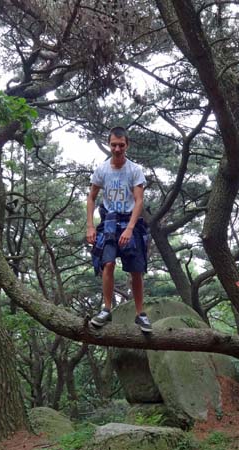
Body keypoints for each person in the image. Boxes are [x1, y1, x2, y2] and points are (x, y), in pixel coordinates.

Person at [86, 126, 152, 333]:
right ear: (109, 144)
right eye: (114, 145)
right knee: (108, 264)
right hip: (109, 221)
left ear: (127, 145)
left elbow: (139, 200)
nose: (117, 149)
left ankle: (140, 314)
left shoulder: (135, 170)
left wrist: (130, 228)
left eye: (121, 145)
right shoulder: (102, 170)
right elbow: (91, 197)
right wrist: (90, 225)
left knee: (136, 270)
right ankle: (106, 309)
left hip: (129, 220)